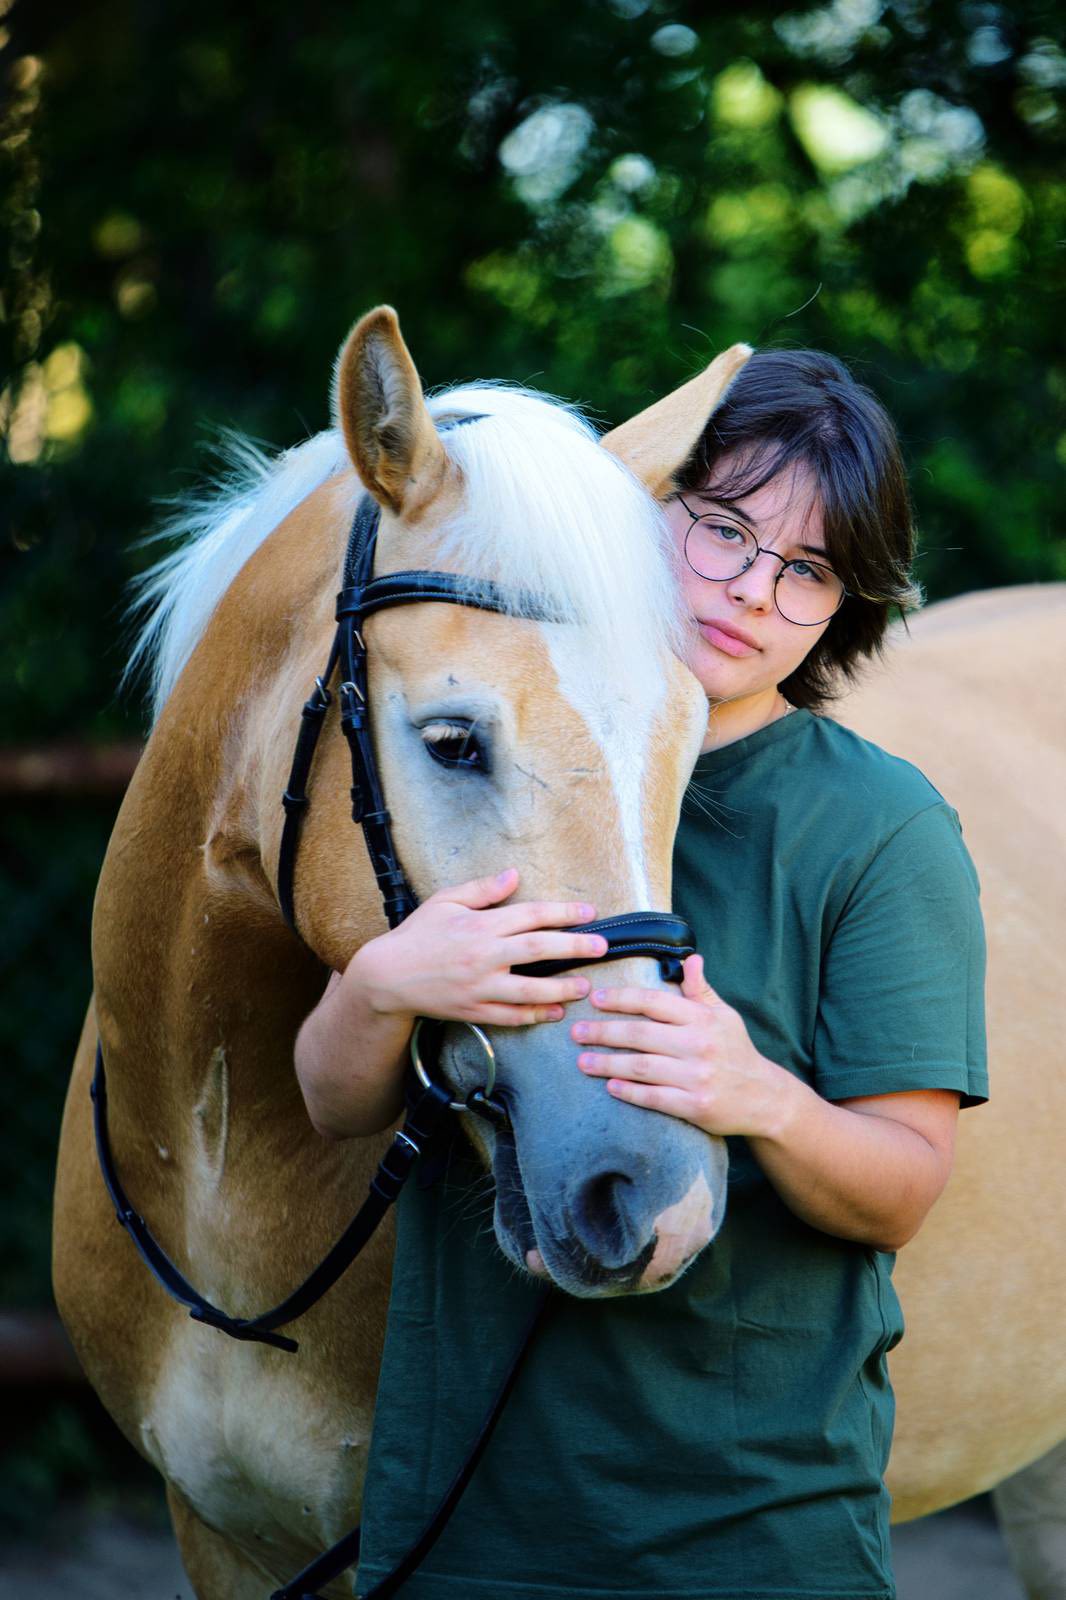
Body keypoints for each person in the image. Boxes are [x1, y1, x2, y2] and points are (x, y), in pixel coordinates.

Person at [295, 349, 987, 1600]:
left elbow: (901, 1190)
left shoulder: (879, 829)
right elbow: (334, 1104)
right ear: (642, 512)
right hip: (463, 1524)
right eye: (722, 531)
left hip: (746, 1535)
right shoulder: (501, 765)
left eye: (809, 569)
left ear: (845, 607)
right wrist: (384, 981)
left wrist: (760, 1097)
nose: (753, 590)